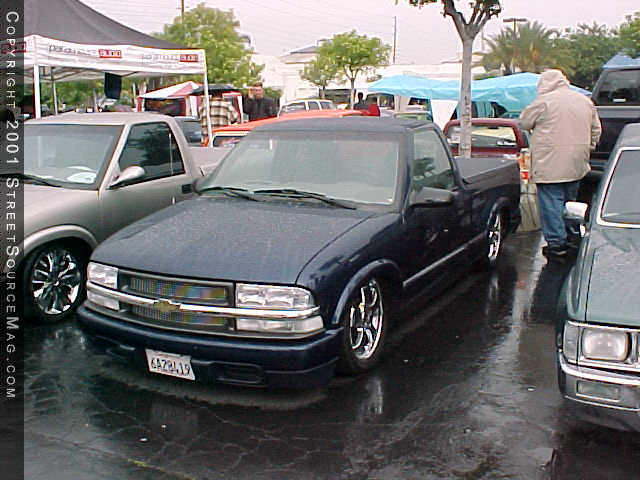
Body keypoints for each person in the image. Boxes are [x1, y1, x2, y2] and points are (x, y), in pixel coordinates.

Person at [519, 69, 602, 260]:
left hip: (549, 163)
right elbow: (596, 130)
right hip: (576, 163)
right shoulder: (584, 101)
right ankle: (572, 235)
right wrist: (587, 147)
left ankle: (557, 244)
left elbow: (524, 122)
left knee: (551, 205)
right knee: (570, 203)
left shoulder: (543, 102)